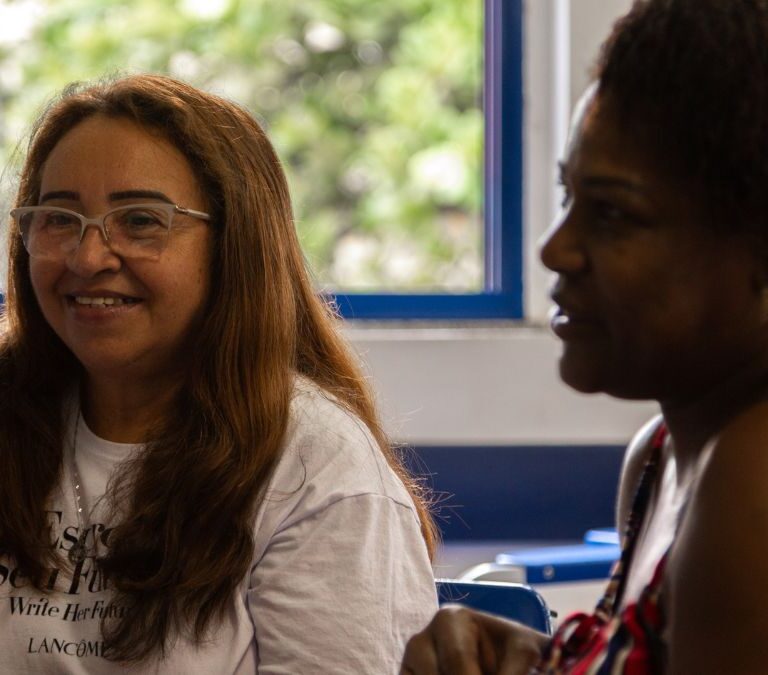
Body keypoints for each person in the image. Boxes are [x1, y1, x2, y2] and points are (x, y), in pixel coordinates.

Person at [0, 73, 438, 673]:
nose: (89, 257)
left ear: (235, 244)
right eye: (58, 219)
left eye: (140, 221)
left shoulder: (315, 466)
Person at [400, 0, 768, 673]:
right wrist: (546, 658)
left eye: (612, 214)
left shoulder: (752, 485)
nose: (554, 248)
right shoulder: (659, 457)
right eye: (567, 197)